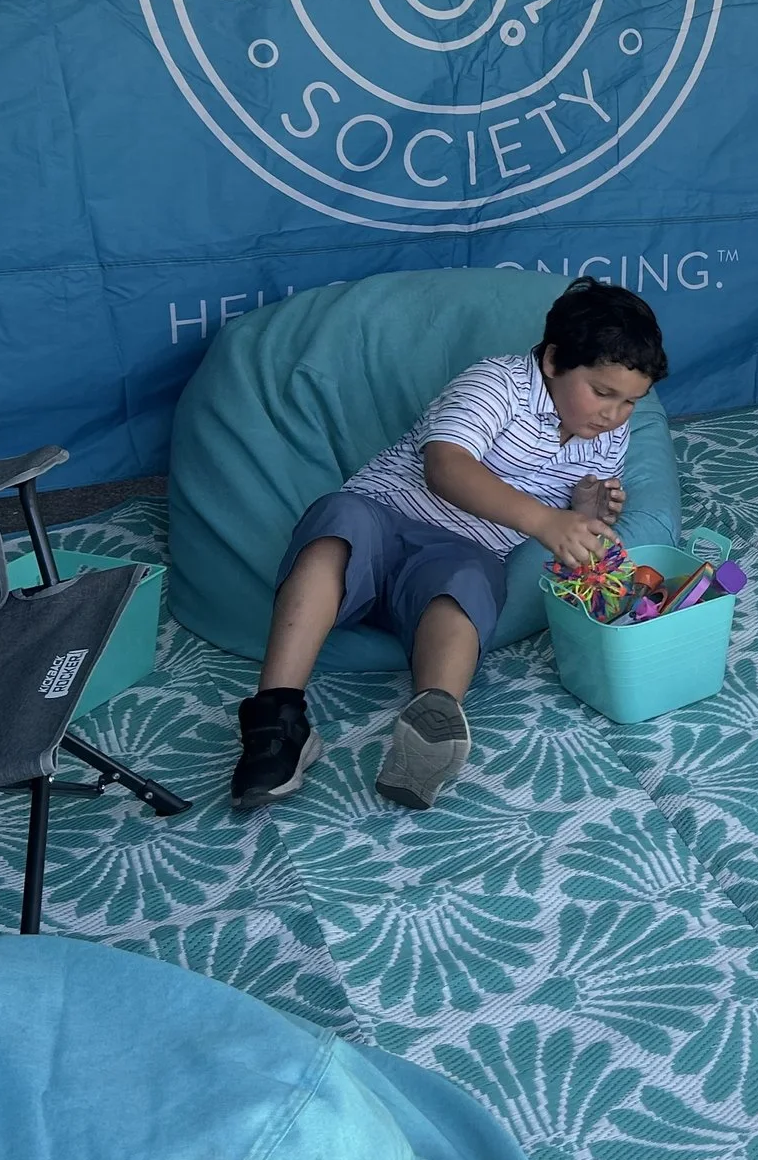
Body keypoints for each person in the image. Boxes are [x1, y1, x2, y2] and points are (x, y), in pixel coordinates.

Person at [230, 278, 665, 812]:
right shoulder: (496, 383)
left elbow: (573, 510)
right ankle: (277, 717)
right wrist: (545, 522)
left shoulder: (608, 434)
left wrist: (587, 512)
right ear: (553, 361)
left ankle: (429, 726)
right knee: (336, 525)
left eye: (630, 403)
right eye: (602, 393)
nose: (614, 415)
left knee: (468, 588)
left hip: (462, 551)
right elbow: (446, 466)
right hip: (385, 514)